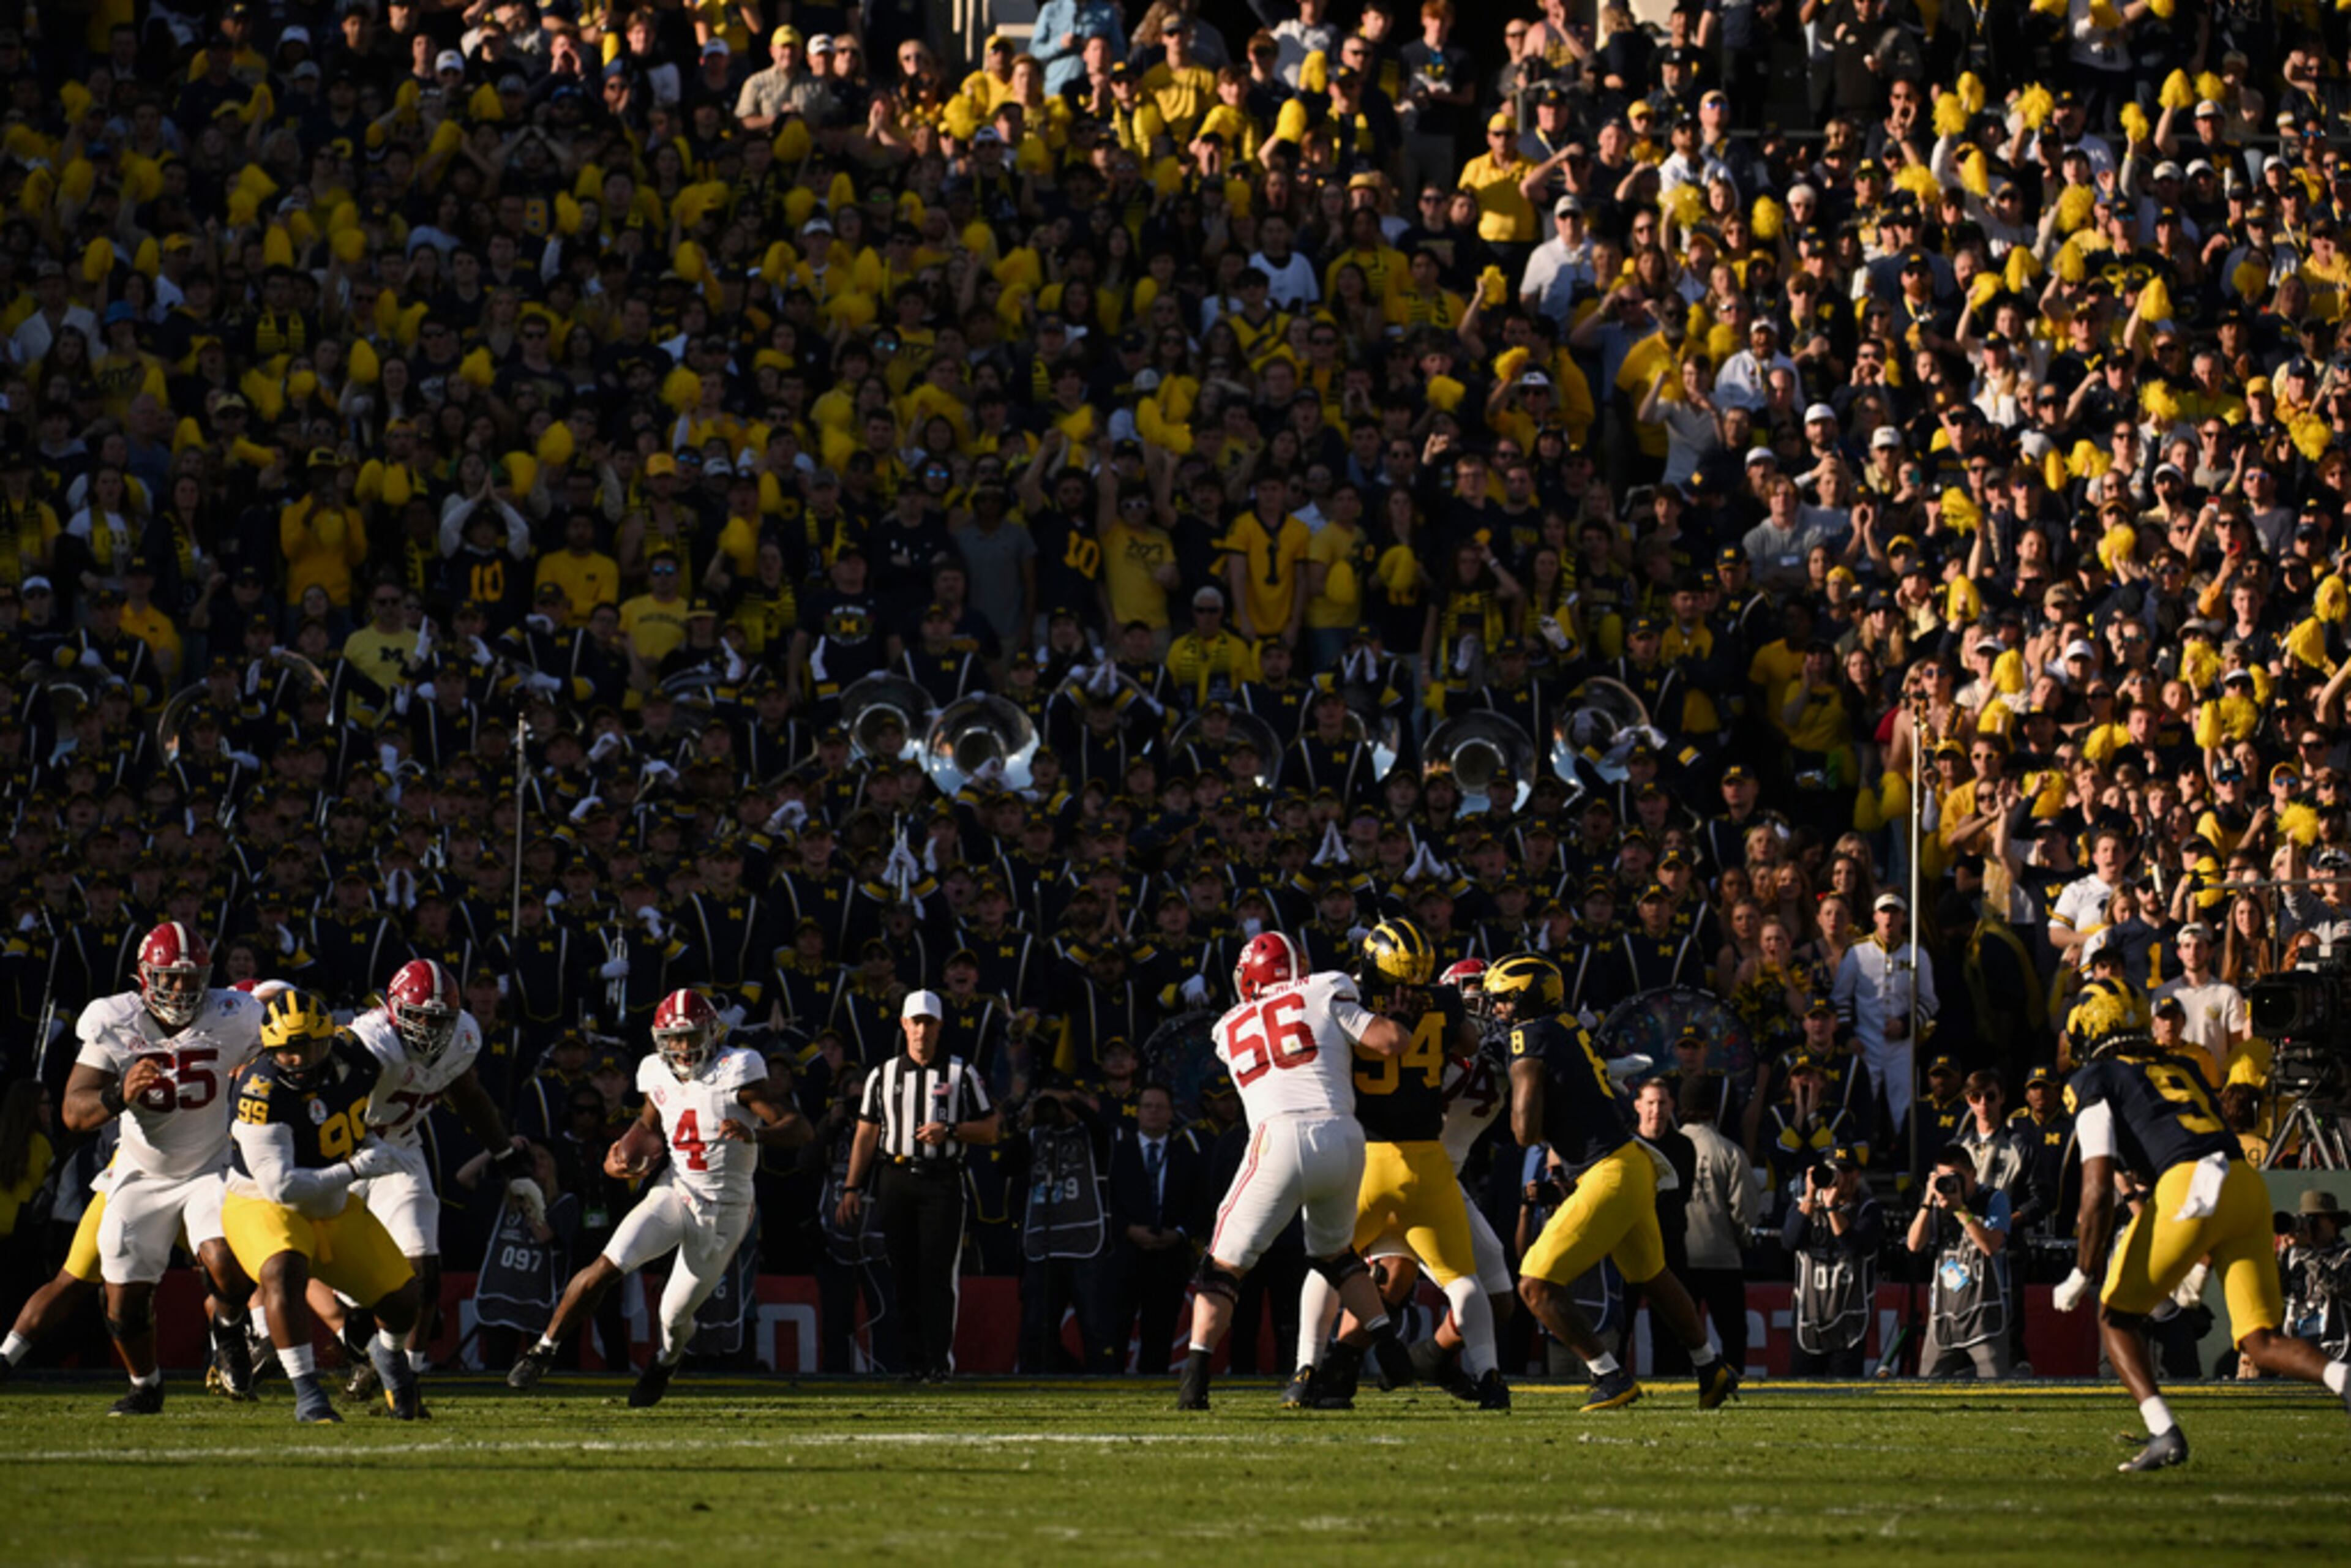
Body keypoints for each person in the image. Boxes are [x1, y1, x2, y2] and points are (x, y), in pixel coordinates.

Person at [2052, 1027, 2351, 1471]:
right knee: (2262, 1339)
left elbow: (2097, 1188)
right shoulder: (2182, 1066)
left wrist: (2081, 1270)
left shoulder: (2098, 1078)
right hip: (2244, 1185)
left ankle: (2163, 1432)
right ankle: (2343, 1378)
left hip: (2190, 1186)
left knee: (2114, 1315)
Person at [506, 990, 806, 1405]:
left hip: (724, 1211)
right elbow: (648, 1125)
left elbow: (799, 1128)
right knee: (606, 1265)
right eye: (674, 1038)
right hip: (674, 1189)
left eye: (690, 1036)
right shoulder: (655, 1073)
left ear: (711, 1032)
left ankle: (667, 1359)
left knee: (673, 1315)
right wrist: (622, 1157)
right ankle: (543, 1350)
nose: (682, 1048)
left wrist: (758, 1133)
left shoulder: (737, 1069)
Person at [1175, 931, 1417, 1411]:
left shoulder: (1227, 1026)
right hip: (1343, 1135)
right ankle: (1391, 1349)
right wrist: (1401, 1011)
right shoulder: (1327, 986)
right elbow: (1392, 1042)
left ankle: (1194, 1379)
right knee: (1337, 1255)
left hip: (1277, 1136)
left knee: (1222, 1266)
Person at [1488, 952, 1739, 1412]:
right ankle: (1710, 1366)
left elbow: (1524, 1133)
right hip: (1631, 1162)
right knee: (1653, 1275)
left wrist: (1514, 1073)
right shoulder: (1564, 1023)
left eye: (1503, 999)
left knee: (1535, 1283)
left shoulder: (1530, 1034)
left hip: (1609, 1172)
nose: (1498, 1009)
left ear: (1526, 998)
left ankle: (1609, 1375)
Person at [1294, 918, 1502, 1409]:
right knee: (1462, 1279)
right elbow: (1469, 1044)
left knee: (1329, 1265)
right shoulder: (1445, 1002)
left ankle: (1307, 1368)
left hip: (1363, 1158)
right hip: (1427, 1161)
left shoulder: (1348, 1001)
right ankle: (1492, 1378)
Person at [57, 923, 264, 1414]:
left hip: (210, 1167)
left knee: (229, 1264)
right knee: (123, 1304)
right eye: (168, 978)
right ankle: (146, 1384)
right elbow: (73, 1109)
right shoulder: (113, 1018)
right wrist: (117, 1094)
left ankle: (230, 1329)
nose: (180, 988)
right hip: (140, 1173)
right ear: (143, 977)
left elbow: (287, 1049)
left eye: (190, 979)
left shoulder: (235, 1013)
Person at [342, 958, 545, 1396]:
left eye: (440, 1019)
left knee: (424, 1268)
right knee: (347, 1285)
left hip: (401, 1147)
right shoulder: (370, 1040)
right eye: (419, 1017)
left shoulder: (464, 1037)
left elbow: (469, 1096)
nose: (431, 1029)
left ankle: (406, 1375)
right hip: (345, 1149)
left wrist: (510, 1162)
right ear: (395, 1009)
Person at [220, 989, 421, 1424]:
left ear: (328, 1039)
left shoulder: (356, 1059)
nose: (299, 1058)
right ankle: (309, 1394)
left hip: (330, 1202)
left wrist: (369, 1143)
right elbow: (282, 1187)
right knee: (283, 1270)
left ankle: (390, 1362)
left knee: (405, 1298)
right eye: (287, 1049)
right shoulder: (260, 1091)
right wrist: (357, 1167)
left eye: (310, 1045)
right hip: (262, 1203)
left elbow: (347, 1113)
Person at [836, 989, 1002, 1382]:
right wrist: (851, 1187)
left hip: (941, 1181)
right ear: (904, 1025)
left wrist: (952, 1131)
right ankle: (912, 1363)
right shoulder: (883, 1074)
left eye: (929, 1022)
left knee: (938, 1274)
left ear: (940, 1026)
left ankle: (939, 1363)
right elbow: (866, 1134)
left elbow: (991, 1128)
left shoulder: (961, 1072)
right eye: (916, 1022)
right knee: (903, 1275)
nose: (921, 1030)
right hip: (895, 1178)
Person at [1105, 1082, 1204, 1375]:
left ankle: (1154, 1386)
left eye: (1160, 1107)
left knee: (1160, 1331)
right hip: (1127, 1254)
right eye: (1147, 1106)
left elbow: (1201, 1203)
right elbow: (1107, 1199)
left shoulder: (1186, 1154)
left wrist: (1181, 1233)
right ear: (1137, 1112)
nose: (1153, 1113)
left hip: (1169, 1257)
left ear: (1171, 1113)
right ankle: (1110, 1385)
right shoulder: (1118, 1154)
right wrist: (1128, 1230)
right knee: (1116, 1328)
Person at [1905, 1146, 2012, 1380]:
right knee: (1929, 1383)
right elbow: (1914, 1245)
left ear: (1973, 1174)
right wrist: (1928, 1202)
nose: (1952, 1185)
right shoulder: (1937, 1205)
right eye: (1945, 1179)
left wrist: (1961, 1211)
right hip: (1945, 1310)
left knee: (1994, 1385)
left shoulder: (1994, 1199)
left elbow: (1990, 1246)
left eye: (1958, 1178)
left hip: (1985, 1311)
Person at [1783, 1149, 1881, 1376]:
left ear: (1856, 1175)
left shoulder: (1867, 1209)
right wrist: (1810, 1196)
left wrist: (1832, 1209)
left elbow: (1854, 1247)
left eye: (1844, 1171)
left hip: (1849, 1319)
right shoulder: (1805, 1206)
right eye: (1831, 1171)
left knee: (1845, 1392)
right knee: (1802, 1393)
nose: (1838, 1178)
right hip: (1810, 1316)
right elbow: (1789, 1241)